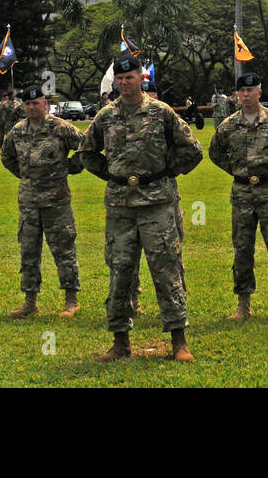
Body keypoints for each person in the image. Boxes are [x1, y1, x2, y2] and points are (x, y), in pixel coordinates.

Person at [76, 55, 203, 363]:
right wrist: (113, 176)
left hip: (157, 204)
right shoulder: (105, 116)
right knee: (120, 272)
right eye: (119, 78)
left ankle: (179, 341)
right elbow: (87, 153)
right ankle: (120, 342)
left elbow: (193, 150)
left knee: (166, 270)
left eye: (129, 77)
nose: (124, 82)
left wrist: (165, 173)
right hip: (120, 207)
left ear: (140, 78)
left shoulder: (162, 112)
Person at [208, 72, 268, 321]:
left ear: (259, 93)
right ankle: (243, 305)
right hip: (242, 194)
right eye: (242, 91)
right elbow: (215, 152)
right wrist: (234, 170)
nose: (246, 95)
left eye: (251, 90)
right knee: (242, 249)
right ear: (237, 94)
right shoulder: (229, 125)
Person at [1, 86, 85, 319]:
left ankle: (71, 300)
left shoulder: (60, 128)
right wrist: (27, 177)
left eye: (35, 103)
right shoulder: (17, 131)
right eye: (27, 104)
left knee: (63, 248)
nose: (31, 107)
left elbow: (85, 146)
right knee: (29, 251)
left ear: (44, 104)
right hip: (28, 202)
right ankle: (30, 301)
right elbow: (6, 158)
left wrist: (70, 168)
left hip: (56, 201)